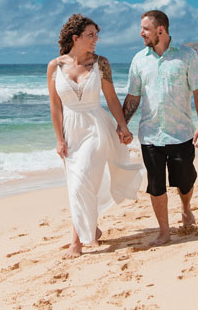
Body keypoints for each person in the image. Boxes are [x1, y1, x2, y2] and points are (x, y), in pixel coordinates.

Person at [48, 14, 144, 258]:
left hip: (96, 127)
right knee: (75, 184)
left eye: (96, 35)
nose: (95, 39)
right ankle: (90, 228)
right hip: (71, 129)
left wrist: (123, 126)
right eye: (91, 35)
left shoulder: (101, 63)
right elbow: (56, 107)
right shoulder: (55, 66)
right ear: (75, 38)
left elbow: (111, 98)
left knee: (83, 181)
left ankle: (77, 242)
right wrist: (59, 139)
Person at [120, 9, 198, 246]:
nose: (141, 33)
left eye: (145, 29)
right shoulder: (139, 59)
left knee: (185, 181)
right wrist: (122, 124)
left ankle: (186, 208)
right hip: (150, 136)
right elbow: (133, 96)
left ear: (161, 30)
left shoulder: (187, 56)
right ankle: (164, 231)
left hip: (181, 132)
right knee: (156, 185)